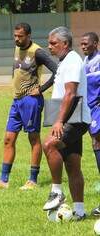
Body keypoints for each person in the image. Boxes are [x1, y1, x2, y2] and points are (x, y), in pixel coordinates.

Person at [0, 23, 57, 190]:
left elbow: (57, 70)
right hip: (16, 101)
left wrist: (41, 89)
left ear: (28, 35)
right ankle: (3, 180)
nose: (17, 39)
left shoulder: (37, 52)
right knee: (8, 139)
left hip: (31, 101)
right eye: (15, 36)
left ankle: (32, 180)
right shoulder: (17, 48)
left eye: (20, 36)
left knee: (33, 139)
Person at [42, 27, 91, 221]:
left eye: (53, 43)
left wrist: (59, 120)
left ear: (65, 44)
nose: (50, 46)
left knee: (49, 145)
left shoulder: (72, 61)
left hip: (74, 117)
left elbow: (70, 93)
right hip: (69, 115)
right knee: (72, 164)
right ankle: (79, 211)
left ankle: (56, 191)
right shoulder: (65, 61)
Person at [80, 32, 100, 218]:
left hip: (98, 108)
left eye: (86, 43)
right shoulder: (85, 62)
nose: (83, 46)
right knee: (96, 143)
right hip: (89, 109)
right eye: (81, 44)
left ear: (96, 43)